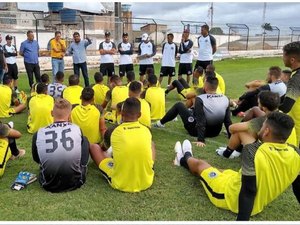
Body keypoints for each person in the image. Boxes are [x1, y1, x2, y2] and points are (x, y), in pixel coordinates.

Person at [174, 112, 300, 221]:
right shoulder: (295, 152)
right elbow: (297, 185)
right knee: (222, 170)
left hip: (229, 197)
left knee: (201, 165)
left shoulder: (253, 151)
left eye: (262, 125)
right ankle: (186, 159)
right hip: (248, 192)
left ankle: (184, 158)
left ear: (266, 131)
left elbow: (248, 192)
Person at [89, 97, 155, 193]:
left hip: (121, 182)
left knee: (93, 147)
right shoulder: (146, 130)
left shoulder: (115, 131)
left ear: (121, 113)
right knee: (152, 144)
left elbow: (103, 148)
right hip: (146, 181)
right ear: (139, 115)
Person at [32, 98, 89, 193]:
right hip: (75, 182)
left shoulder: (39, 133)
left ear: (51, 113)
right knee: (85, 140)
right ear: (70, 115)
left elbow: (36, 159)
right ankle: (80, 167)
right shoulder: (76, 129)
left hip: (48, 183)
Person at [216, 91, 297, 158]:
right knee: (251, 129)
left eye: (258, 102)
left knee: (240, 131)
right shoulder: (282, 116)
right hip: (288, 154)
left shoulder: (265, 120)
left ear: (264, 108)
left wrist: (249, 128)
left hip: (272, 157)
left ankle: (227, 153)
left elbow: (231, 128)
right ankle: (236, 151)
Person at [154, 77, 232, 146]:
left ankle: (159, 123)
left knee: (179, 105)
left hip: (196, 131)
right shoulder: (225, 98)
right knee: (191, 111)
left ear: (206, 86)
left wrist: (201, 140)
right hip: (215, 132)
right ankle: (165, 121)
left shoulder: (200, 99)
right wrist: (230, 136)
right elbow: (227, 121)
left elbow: (201, 120)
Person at [280, 41, 300, 147]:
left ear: (292, 60)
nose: (282, 58)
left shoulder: (296, 79)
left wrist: (270, 108)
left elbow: (286, 107)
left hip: (297, 124)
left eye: (284, 55)